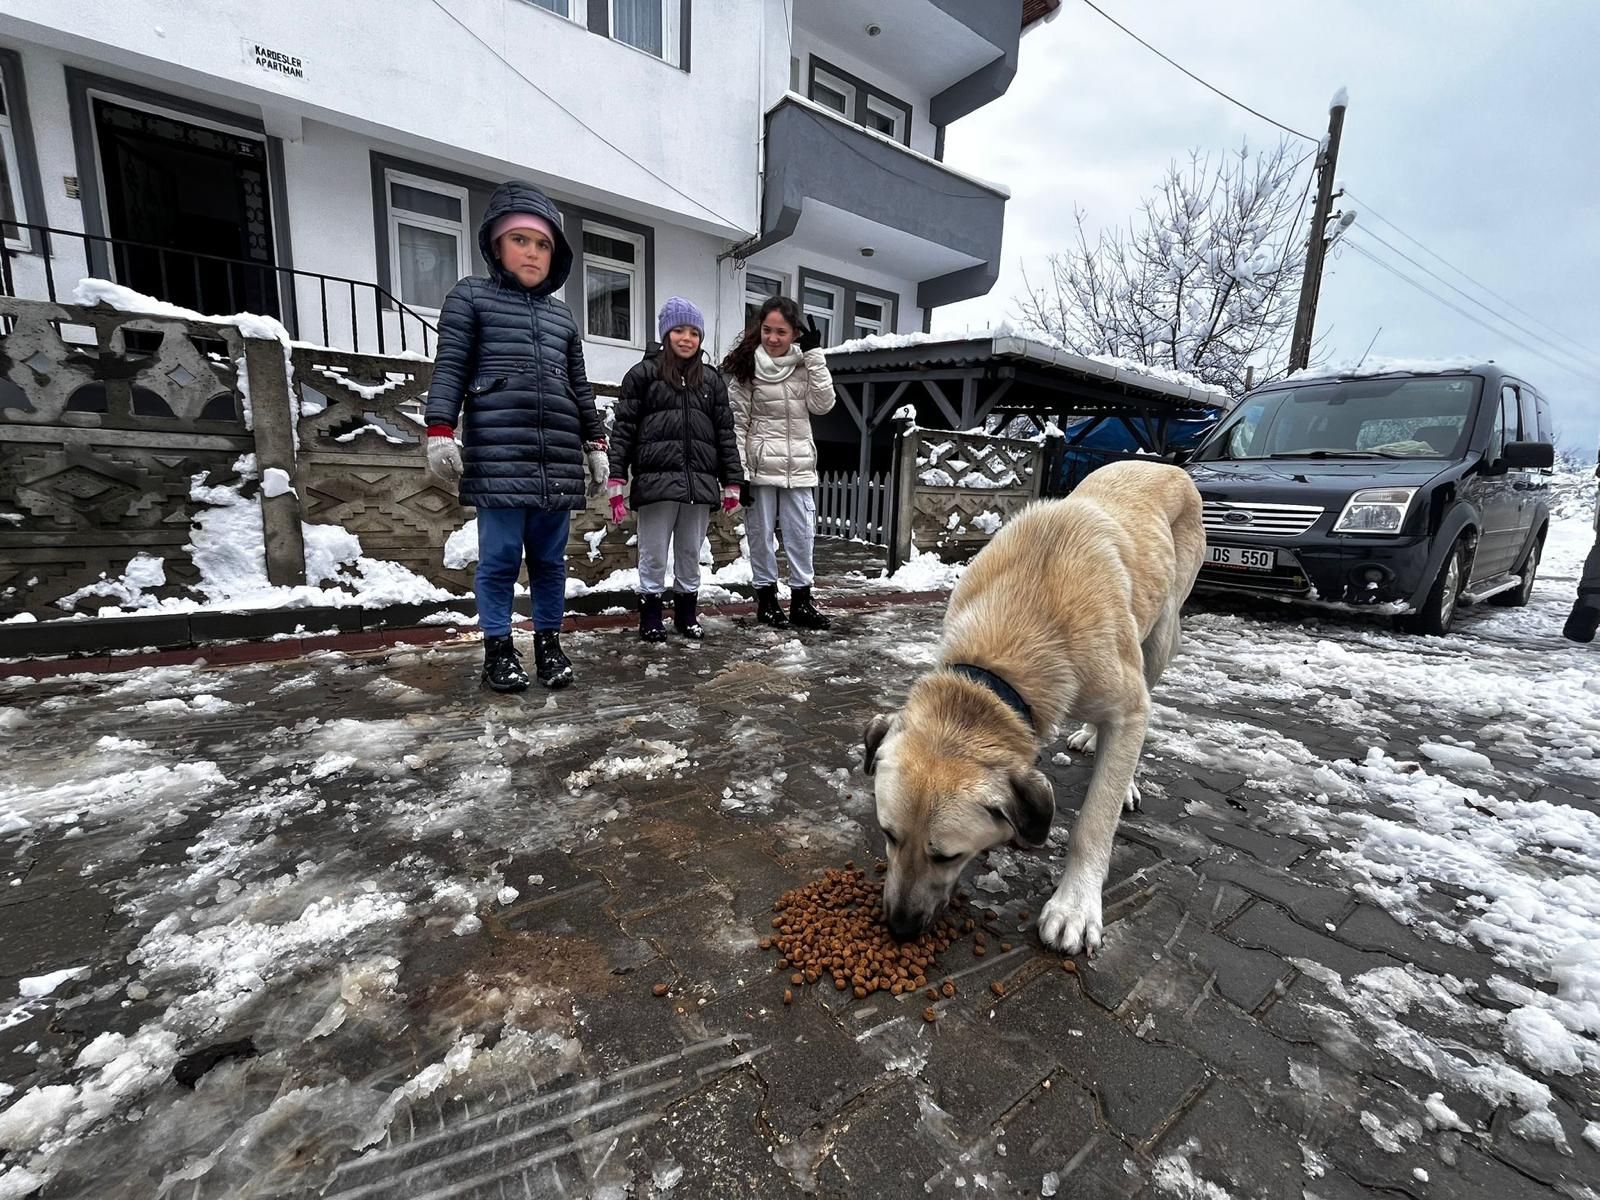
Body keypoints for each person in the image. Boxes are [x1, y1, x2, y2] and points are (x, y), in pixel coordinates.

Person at [423, 181, 609, 692]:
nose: (532, 252)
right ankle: (498, 650)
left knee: (550, 562)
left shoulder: (562, 317)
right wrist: (440, 428)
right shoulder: (471, 297)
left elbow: (580, 387)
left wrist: (595, 444)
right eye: (520, 240)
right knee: (501, 559)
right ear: (496, 245)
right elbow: (450, 368)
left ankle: (550, 645)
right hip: (500, 456)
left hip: (555, 460)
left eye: (543, 243)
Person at [606, 298, 742, 641]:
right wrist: (617, 476)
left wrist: (732, 481)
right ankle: (650, 616)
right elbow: (624, 429)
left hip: (698, 483)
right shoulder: (642, 375)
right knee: (653, 553)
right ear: (666, 334)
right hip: (656, 482)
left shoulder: (711, 381)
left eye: (694, 332)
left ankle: (686, 614)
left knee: (689, 553)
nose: (687, 338)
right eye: (679, 330)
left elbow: (725, 433)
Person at [720, 296, 837, 630]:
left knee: (801, 535)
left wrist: (815, 357)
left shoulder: (805, 364)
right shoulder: (746, 368)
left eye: (781, 332)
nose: (772, 338)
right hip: (759, 467)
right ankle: (767, 602)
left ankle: (802, 602)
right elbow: (737, 424)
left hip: (798, 464)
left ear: (794, 333)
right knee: (760, 535)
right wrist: (738, 473)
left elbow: (823, 403)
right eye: (767, 330)